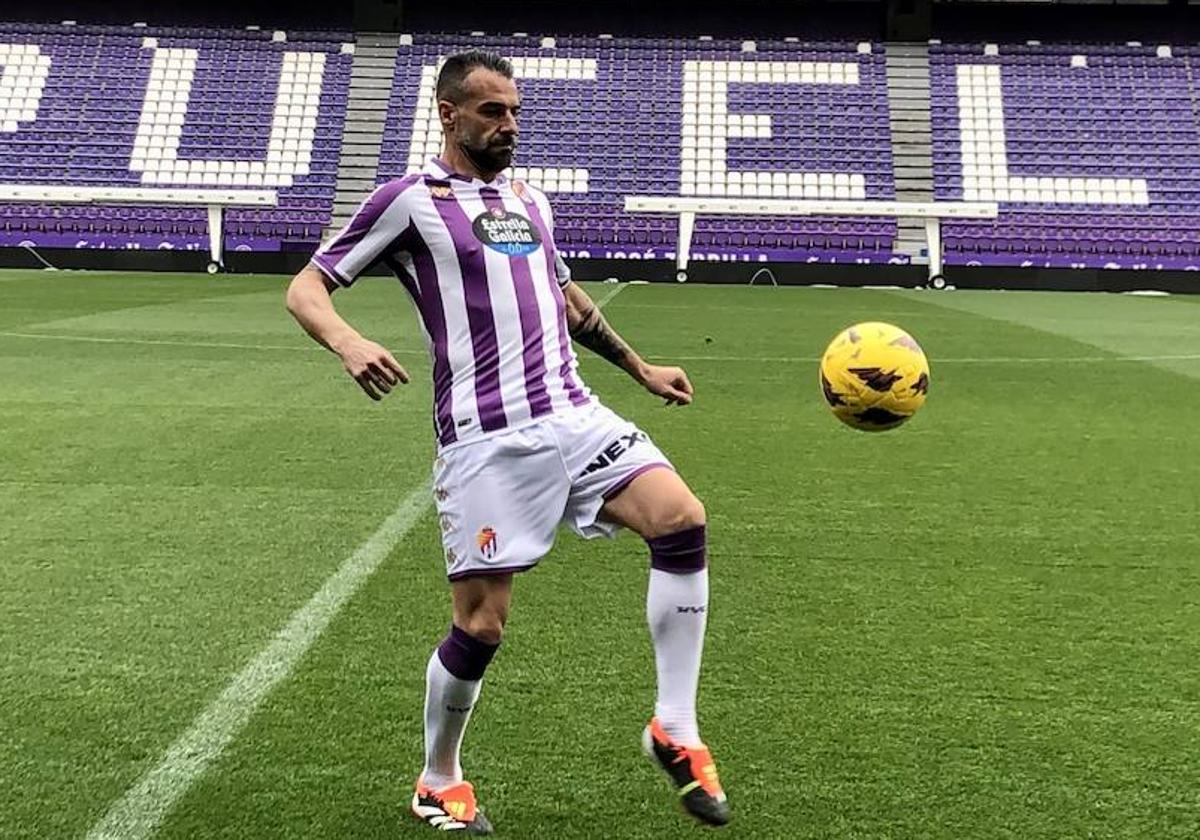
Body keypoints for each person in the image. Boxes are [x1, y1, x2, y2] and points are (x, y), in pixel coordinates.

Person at [285, 50, 729, 834]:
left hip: (573, 412)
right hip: (485, 438)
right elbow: (308, 285)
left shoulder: (528, 199)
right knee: (482, 625)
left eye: (515, 111)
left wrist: (638, 366)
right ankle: (438, 777)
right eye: (492, 112)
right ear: (449, 115)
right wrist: (349, 344)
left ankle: (675, 726)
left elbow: (564, 299)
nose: (509, 125)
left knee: (681, 519)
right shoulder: (408, 201)